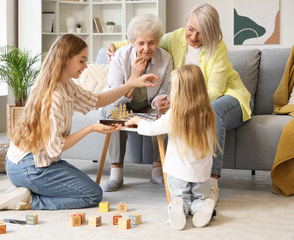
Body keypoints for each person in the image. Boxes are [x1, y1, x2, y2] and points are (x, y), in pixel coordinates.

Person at [0, 34, 160, 211]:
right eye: (82, 61)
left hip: (38, 162)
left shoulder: (65, 84)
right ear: (66, 59)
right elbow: (56, 147)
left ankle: (25, 190)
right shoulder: (54, 97)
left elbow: (97, 100)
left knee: (87, 187)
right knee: (92, 195)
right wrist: (91, 128)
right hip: (29, 167)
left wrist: (132, 83)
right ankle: (26, 201)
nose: (85, 66)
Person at [107, 4, 252, 204]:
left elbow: (216, 91)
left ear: (210, 33)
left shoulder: (217, 49)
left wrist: (181, 106)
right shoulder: (175, 37)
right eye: (190, 30)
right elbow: (145, 38)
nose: (192, 37)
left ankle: (212, 182)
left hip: (229, 96)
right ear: (186, 25)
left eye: (200, 33)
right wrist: (114, 45)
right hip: (190, 99)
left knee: (213, 111)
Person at [125, 64, 219, 230]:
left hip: (178, 171)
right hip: (201, 171)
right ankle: (202, 206)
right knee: (199, 197)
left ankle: (178, 206)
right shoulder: (208, 112)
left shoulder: (175, 114)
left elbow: (153, 129)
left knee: (180, 196)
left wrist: (138, 121)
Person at [101, 13, 173, 192]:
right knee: (111, 113)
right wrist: (134, 75)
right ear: (132, 42)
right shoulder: (120, 56)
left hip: (148, 106)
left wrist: (159, 103)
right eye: (141, 43)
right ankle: (116, 172)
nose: (146, 49)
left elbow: (164, 90)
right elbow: (114, 96)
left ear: (157, 41)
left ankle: (157, 171)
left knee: (164, 115)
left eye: (151, 43)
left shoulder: (166, 59)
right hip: (120, 104)